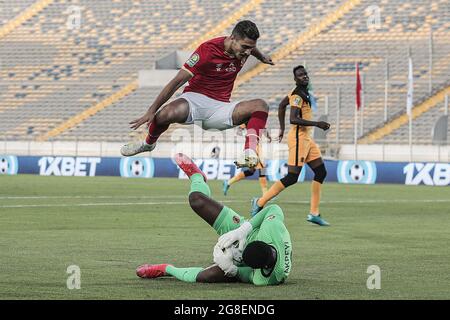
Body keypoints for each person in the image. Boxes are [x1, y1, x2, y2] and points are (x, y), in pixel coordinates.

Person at [121, 20, 274, 168]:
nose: (247, 51)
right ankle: (148, 144)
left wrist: (261, 57)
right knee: (165, 114)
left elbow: (251, 49)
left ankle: (249, 152)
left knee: (260, 105)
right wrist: (151, 111)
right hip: (195, 100)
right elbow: (176, 82)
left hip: (221, 108)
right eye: (245, 47)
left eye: (250, 48)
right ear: (232, 38)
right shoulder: (207, 51)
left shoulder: (244, 48)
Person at [136, 153, 292, 285]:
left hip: (247, 260)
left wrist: (234, 270)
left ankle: (165, 269)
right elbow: (274, 209)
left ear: (259, 267)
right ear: (262, 241)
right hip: (245, 232)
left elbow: (249, 276)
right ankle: (198, 177)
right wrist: (242, 231)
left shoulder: (267, 278)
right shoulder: (272, 230)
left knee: (206, 277)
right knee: (196, 200)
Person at [250, 65, 331, 226]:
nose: (304, 77)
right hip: (299, 138)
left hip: (307, 139)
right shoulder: (297, 96)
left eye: (305, 74)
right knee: (292, 177)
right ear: (295, 79)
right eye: (300, 75)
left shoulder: (302, 93)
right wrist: (317, 123)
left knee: (320, 172)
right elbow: (293, 118)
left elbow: (281, 105)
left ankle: (314, 213)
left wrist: (281, 128)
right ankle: (260, 202)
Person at [223, 124, 271, 196]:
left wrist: (268, 136)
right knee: (262, 168)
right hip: (253, 146)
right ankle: (265, 194)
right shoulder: (249, 119)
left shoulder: (260, 118)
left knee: (251, 171)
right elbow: (238, 131)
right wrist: (247, 134)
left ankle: (229, 182)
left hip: (256, 146)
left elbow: (264, 129)